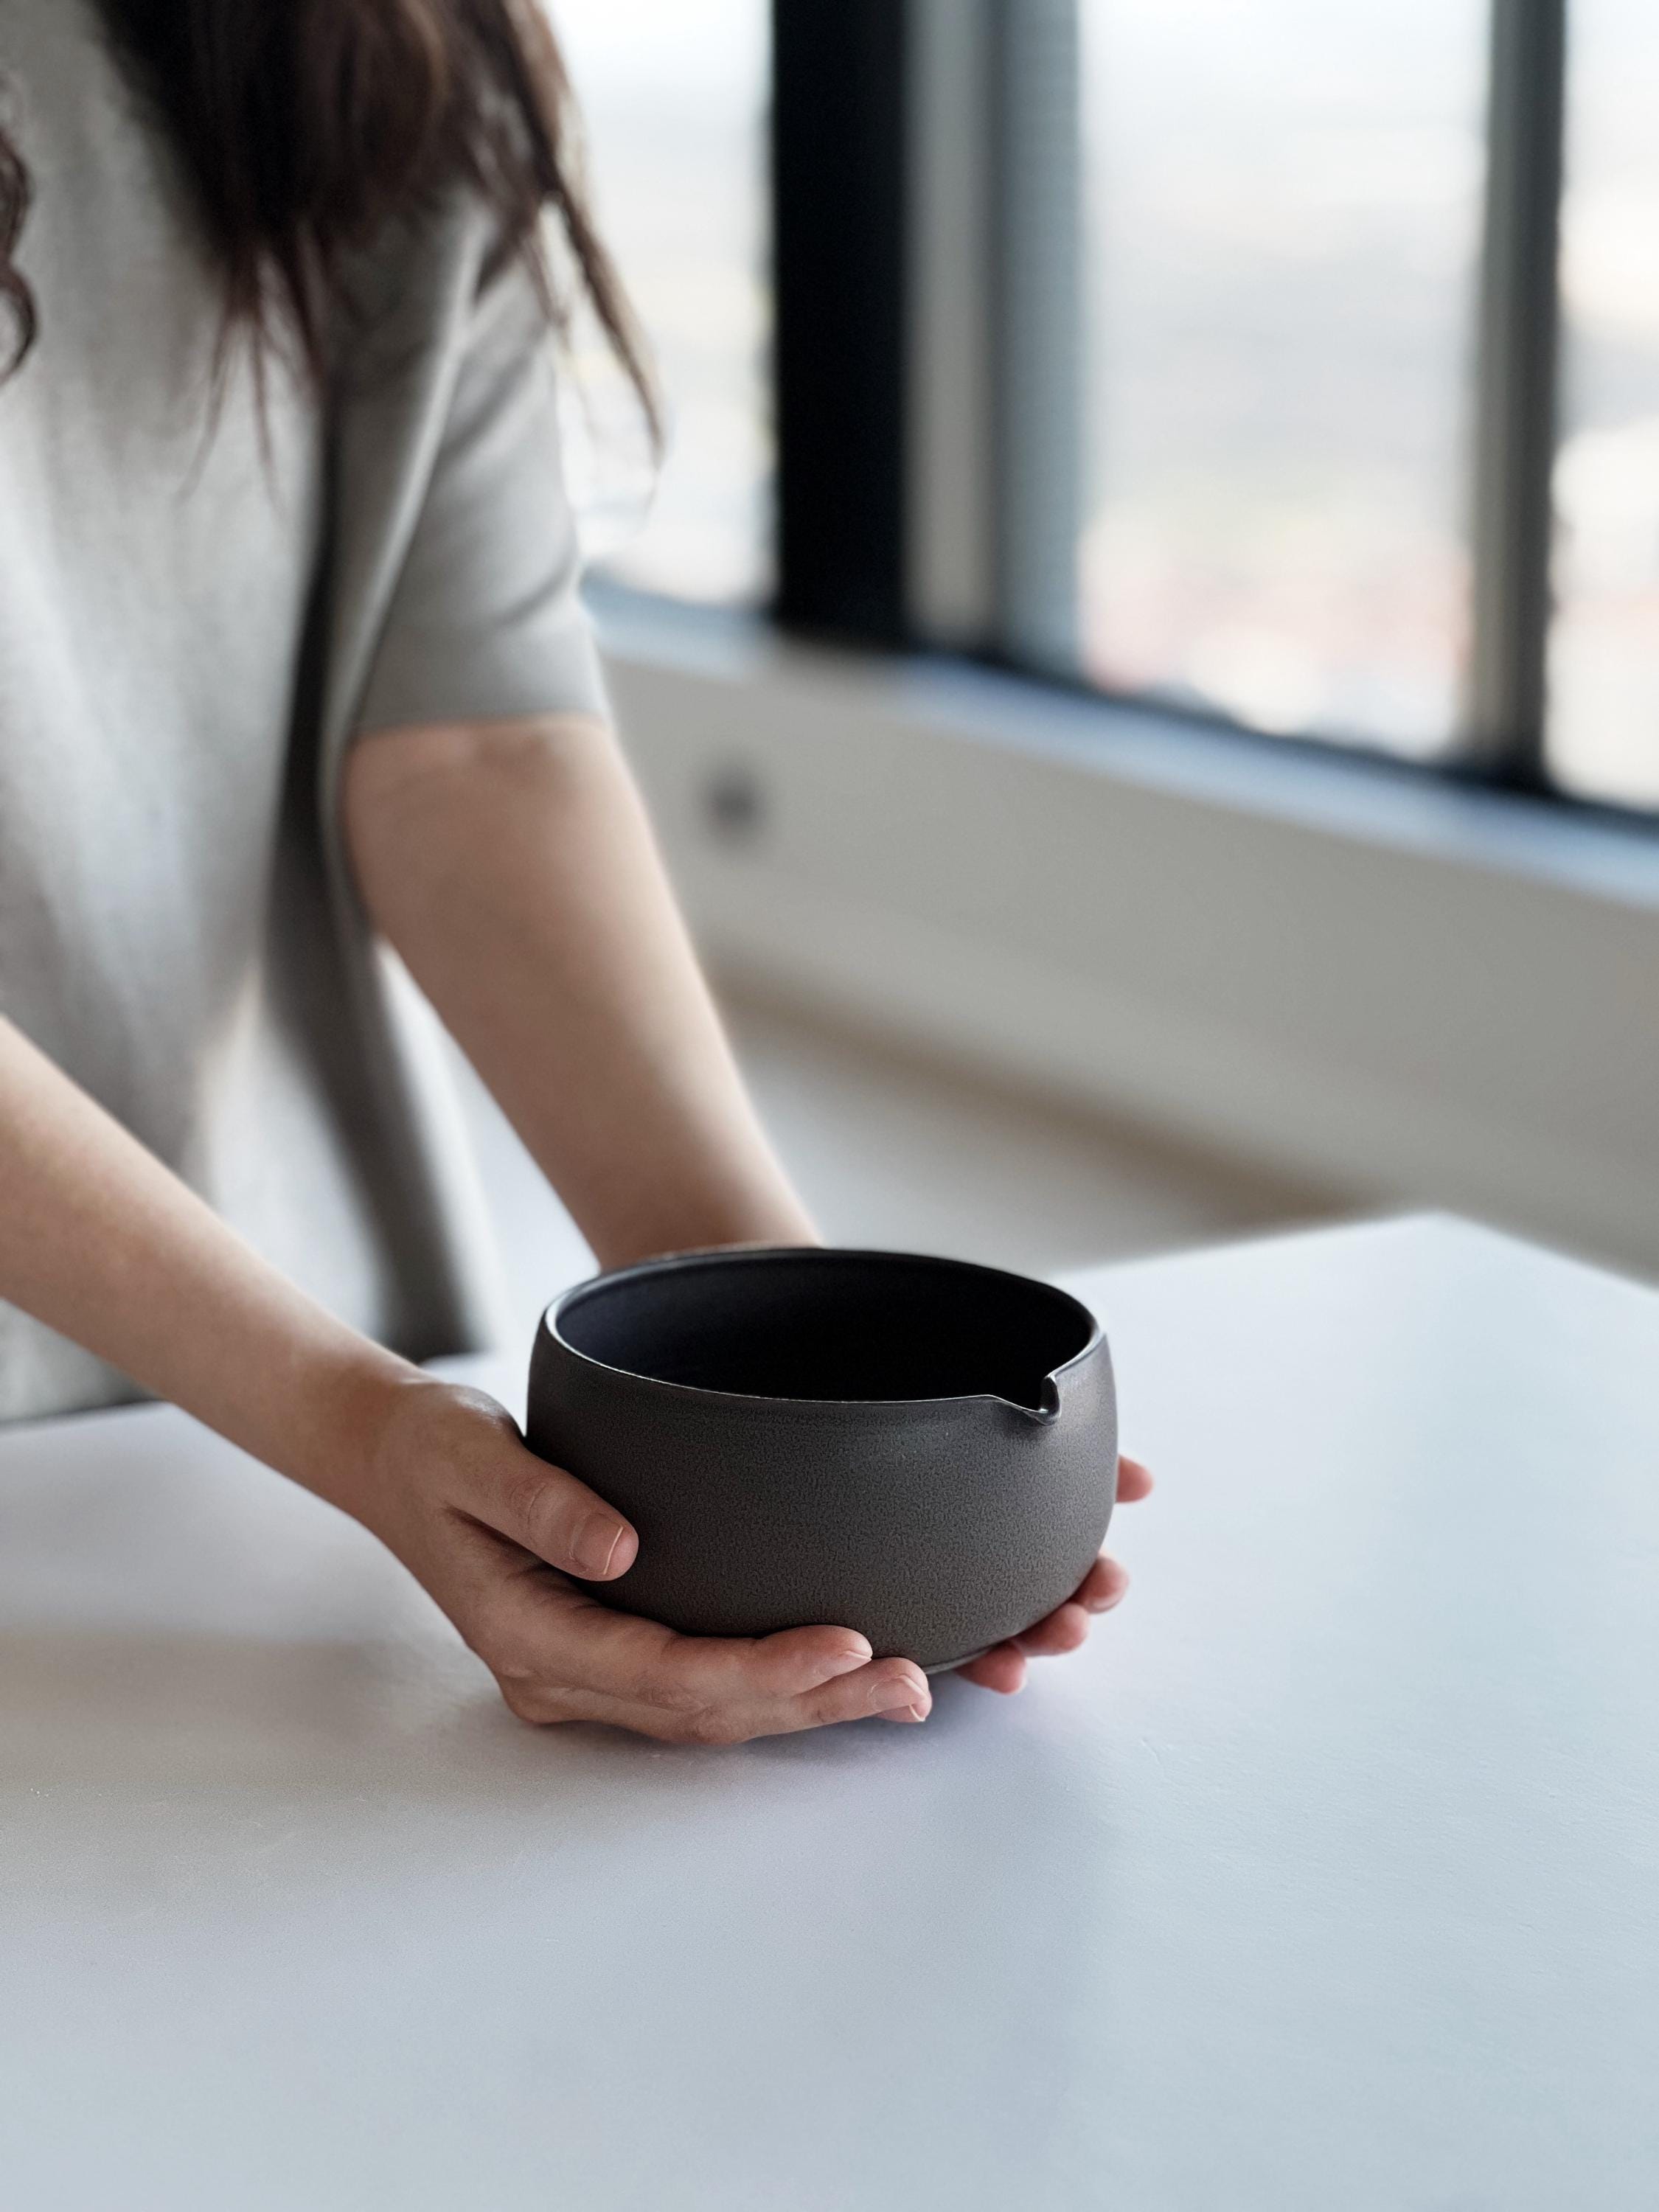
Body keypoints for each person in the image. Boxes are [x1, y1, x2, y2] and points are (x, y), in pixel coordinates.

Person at [0, 0, 1149, 1744]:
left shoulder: (389, 41)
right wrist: (359, 1427)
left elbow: (472, 742)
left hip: (279, 1415)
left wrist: (787, 1364)